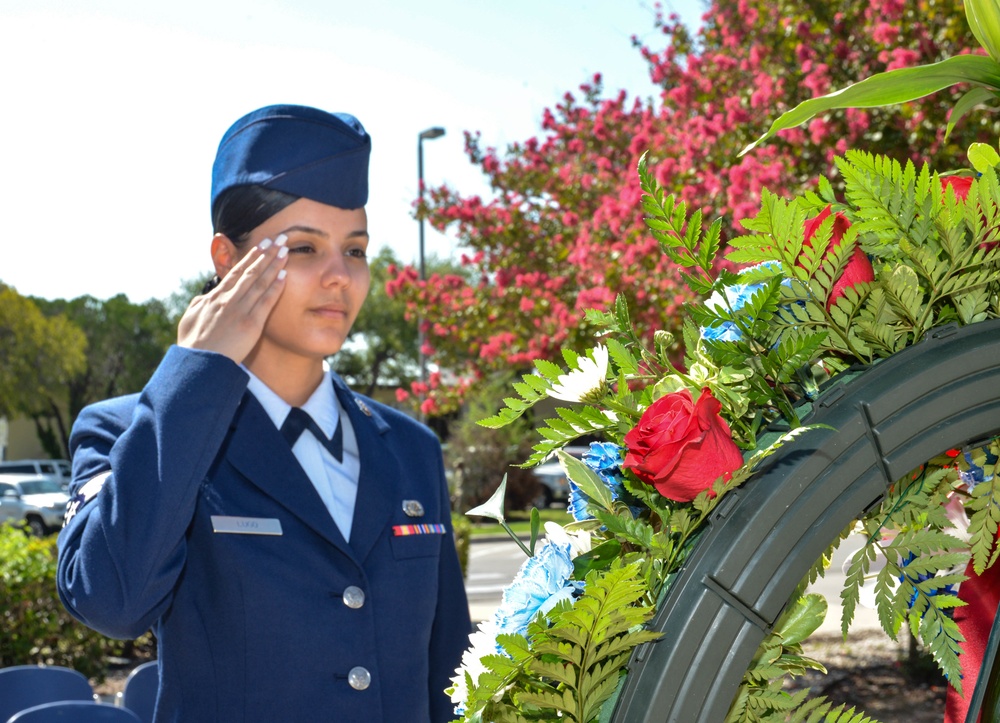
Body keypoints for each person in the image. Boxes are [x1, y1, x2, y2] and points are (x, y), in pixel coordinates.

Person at [56, 104, 471, 723]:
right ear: (226, 260)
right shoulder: (131, 430)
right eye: (303, 247)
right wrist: (196, 371)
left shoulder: (410, 449)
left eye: (354, 250)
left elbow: (451, 679)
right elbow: (111, 602)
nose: (339, 277)